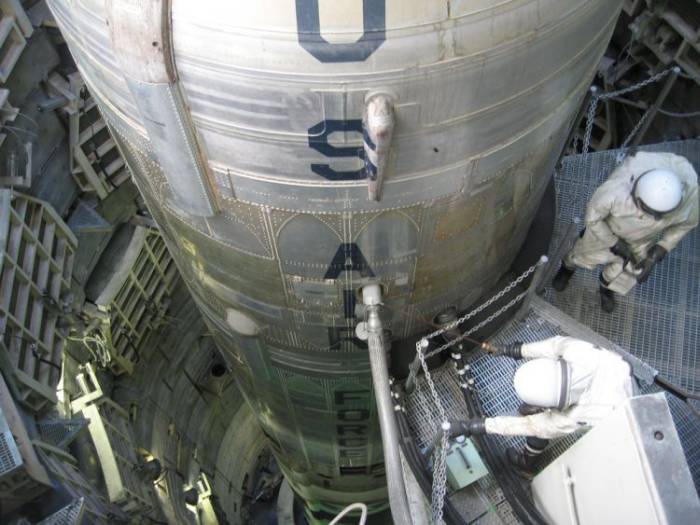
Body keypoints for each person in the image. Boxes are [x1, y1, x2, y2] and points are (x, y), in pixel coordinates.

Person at [449, 336, 635, 476]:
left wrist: (473, 426)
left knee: (538, 430)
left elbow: (531, 426)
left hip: (620, 418)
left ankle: (526, 463)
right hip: (621, 375)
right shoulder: (580, 353)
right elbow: (553, 346)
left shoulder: (575, 416)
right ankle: (539, 408)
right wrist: (512, 350)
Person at [552, 151, 699, 312]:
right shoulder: (616, 190)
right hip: (606, 231)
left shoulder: (690, 197)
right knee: (582, 254)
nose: (651, 218)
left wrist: (661, 248)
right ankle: (567, 269)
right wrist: (614, 243)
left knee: (628, 273)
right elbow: (593, 218)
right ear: (636, 194)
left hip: (642, 241)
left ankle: (606, 289)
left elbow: (686, 224)